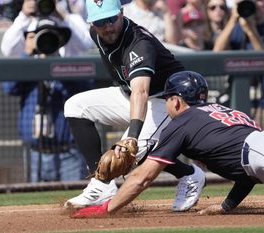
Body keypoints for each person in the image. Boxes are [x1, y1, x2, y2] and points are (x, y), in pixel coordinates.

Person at [71, 70, 264, 218]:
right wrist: (226, 206)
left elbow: (143, 177)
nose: (166, 104)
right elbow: (248, 173)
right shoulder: (221, 112)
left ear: (176, 100)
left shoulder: (184, 119)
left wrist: (108, 208)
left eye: (167, 99)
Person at [63, 0, 205, 212]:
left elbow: (141, 90)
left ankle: (189, 174)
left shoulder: (139, 42)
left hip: (166, 100)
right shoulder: (97, 33)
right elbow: (134, 91)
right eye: (101, 22)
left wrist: (132, 136)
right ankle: (101, 185)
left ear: (121, 13)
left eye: (112, 18)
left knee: (129, 154)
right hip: (130, 94)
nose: (108, 26)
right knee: (75, 106)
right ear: (92, 23)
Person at [2, 18, 90, 182]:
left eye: (51, 36)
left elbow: (86, 86)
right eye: (42, 36)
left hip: (68, 152)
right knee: (34, 200)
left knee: (73, 199)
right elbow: (9, 88)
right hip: (35, 151)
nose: (46, 41)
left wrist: (59, 66)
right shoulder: (28, 67)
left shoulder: (70, 64)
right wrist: (28, 55)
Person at [213, 0, 264, 129]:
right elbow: (216, 53)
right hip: (238, 103)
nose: (255, 4)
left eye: (259, 1)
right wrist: (233, 19)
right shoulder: (237, 28)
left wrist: (251, 31)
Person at [0, 0, 94, 57]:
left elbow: (86, 46)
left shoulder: (72, 20)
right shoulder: (26, 24)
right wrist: (24, 15)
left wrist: (63, 18)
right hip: (36, 76)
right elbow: (7, 50)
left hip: (66, 76)